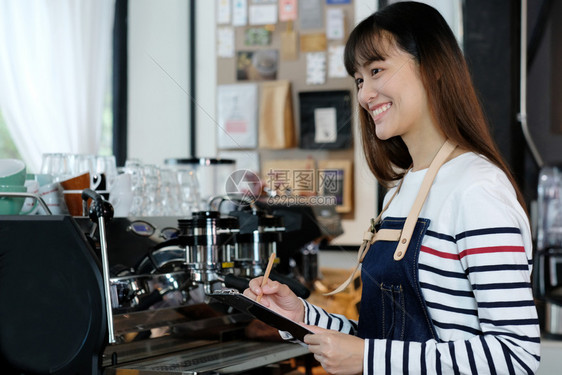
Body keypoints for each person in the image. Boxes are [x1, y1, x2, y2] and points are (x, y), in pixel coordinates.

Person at [244, 2, 541, 374]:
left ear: (431, 67)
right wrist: (300, 316)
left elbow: (517, 356)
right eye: (358, 79)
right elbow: (383, 341)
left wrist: (368, 358)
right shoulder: (398, 194)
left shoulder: (477, 189)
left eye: (376, 70)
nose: (365, 95)